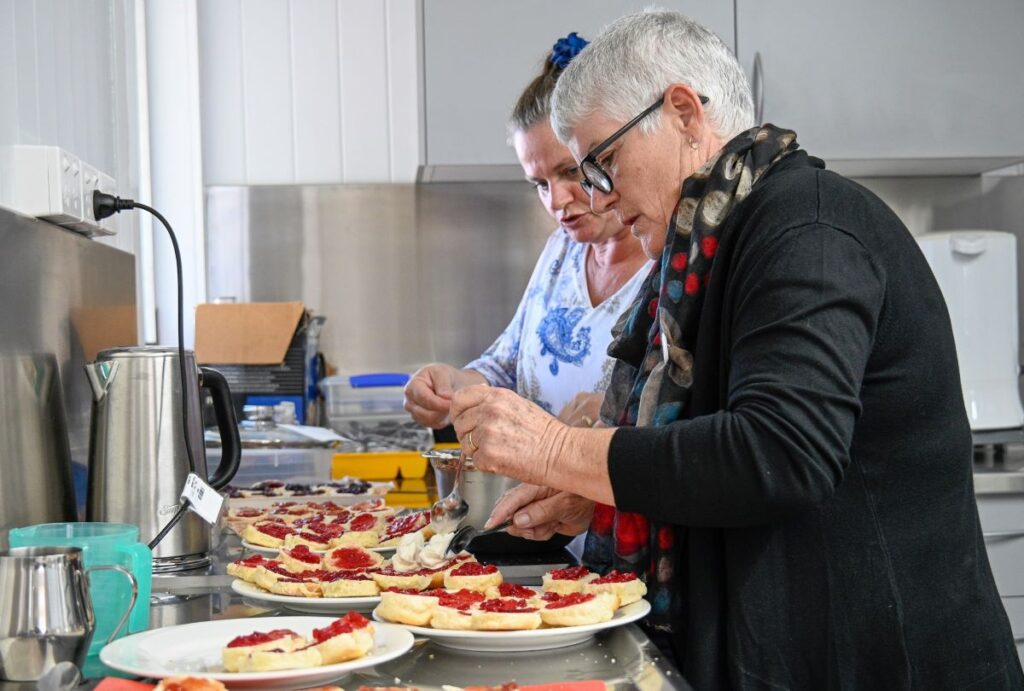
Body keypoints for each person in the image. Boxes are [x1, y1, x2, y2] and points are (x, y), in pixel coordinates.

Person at [449, 10, 1024, 689]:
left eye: (603, 163)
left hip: (883, 661)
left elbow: (778, 453)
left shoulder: (806, 228)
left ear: (685, 112)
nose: (600, 195)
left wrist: (556, 451)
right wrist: (593, 493)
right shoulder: (702, 252)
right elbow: (706, 448)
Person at [404, 32, 650, 438]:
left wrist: (613, 415)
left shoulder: (670, 266)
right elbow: (505, 366)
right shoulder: (561, 252)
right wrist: (451, 384)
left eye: (570, 172)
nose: (556, 201)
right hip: (540, 494)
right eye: (538, 183)